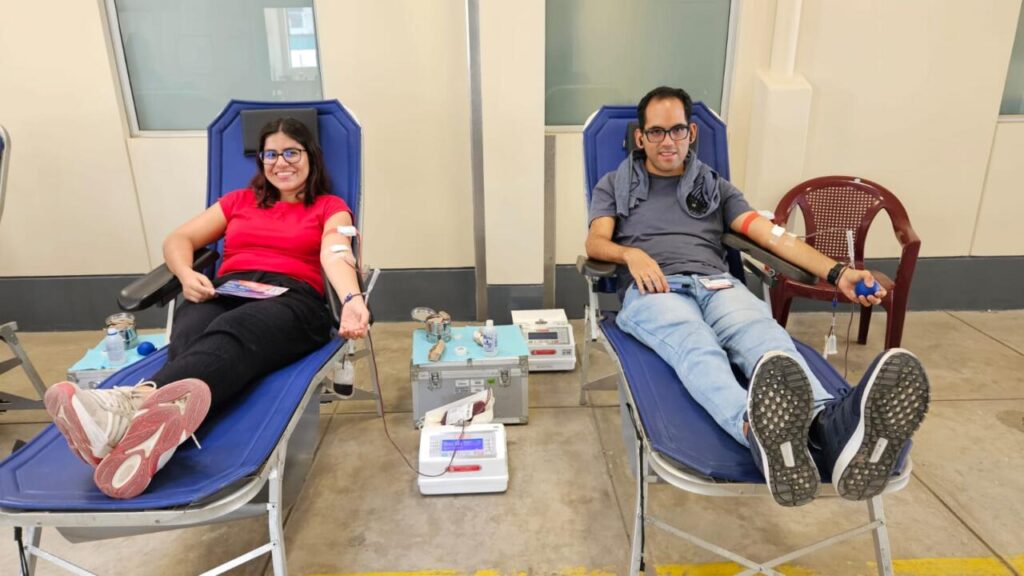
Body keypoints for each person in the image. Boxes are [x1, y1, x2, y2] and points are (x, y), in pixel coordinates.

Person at [586, 86, 930, 506]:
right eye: (656, 132)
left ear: (691, 133)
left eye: (676, 130)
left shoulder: (716, 189)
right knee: (696, 346)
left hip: (718, 285)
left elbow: (773, 237)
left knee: (766, 340)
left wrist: (838, 272)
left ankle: (829, 426)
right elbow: (596, 242)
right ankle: (756, 430)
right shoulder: (615, 185)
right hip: (656, 289)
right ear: (641, 138)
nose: (667, 141)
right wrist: (630, 254)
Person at [44, 117, 369, 499]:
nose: (281, 162)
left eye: (291, 153)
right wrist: (186, 275)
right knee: (191, 329)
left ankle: (130, 404)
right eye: (271, 154)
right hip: (227, 290)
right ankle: (153, 441)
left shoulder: (329, 206)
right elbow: (179, 238)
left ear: (310, 155)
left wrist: (352, 300)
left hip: (292, 299)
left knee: (236, 331)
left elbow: (336, 252)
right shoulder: (239, 201)